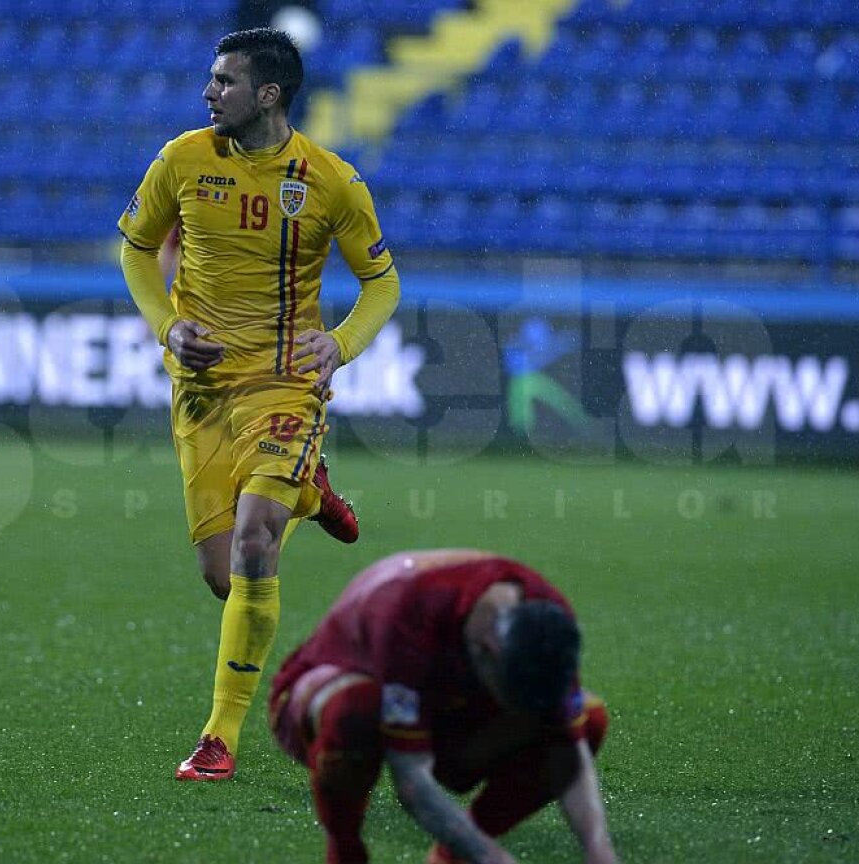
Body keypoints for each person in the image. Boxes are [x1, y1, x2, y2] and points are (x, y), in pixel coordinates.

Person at [117, 27, 400, 781]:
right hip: (203, 388)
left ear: (268, 94)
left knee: (253, 544)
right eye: (212, 79)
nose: (209, 92)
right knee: (224, 577)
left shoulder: (330, 180)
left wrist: (339, 343)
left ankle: (220, 738)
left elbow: (382, 283)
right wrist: (167, 326)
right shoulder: (182, 160)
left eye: (224, 81)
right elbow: (137, 249)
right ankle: (309, 489)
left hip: (285, 384)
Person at [269, 550, 619, 864]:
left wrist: (599, 851)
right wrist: (492, 857)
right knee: (357, 710)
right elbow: (411, 777)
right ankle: (346, 853)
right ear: (487, 652)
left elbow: (568, 747)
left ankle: (454, 857)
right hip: (318, 701)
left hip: (443, 704)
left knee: (587, 720)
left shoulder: (546, 615)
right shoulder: (407, 611)